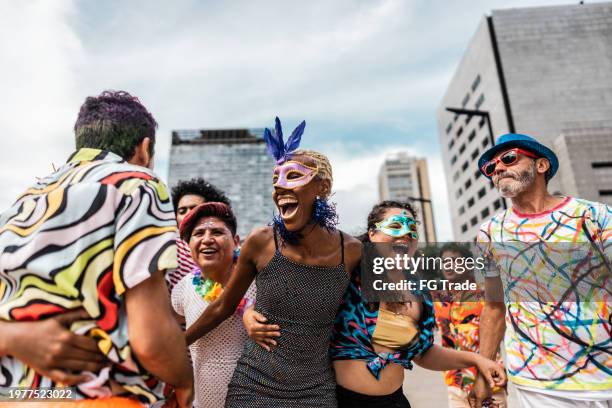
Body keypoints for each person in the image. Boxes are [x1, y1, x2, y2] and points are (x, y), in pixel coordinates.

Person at [0, 90, 193, 407]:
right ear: (144, 149)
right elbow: (150, 340)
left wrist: (13, 337)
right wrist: (185, 381)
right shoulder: (137, 183)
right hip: (98, 398)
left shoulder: (22, 203)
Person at [246, 200, 506, 408]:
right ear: (372, 233)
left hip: (395, 400)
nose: (405, 234)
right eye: (395, 227)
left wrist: (475, 360)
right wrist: (249, 313)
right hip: (340, 400)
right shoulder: (347, 273)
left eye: (412, 229)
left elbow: (424, 353)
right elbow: (290, 297)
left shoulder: (417, 289)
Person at [184, 117, 362, 407]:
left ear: (323, 187)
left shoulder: (352, 251)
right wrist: (178, 345)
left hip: (316, 390)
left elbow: (371, 310)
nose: (279, 187)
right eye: (275, 180)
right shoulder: (262, 242)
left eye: (292, 176)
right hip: (253, 385)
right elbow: (221, 306)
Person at [470, 133, 611, 408]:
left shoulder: (595, 216)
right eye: (491, 167)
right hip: (538, 383)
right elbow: (494, 306)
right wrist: (483, 373)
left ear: (542, 166)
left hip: (605, 373)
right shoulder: (489, 233)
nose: (498, 168)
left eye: (509, 158)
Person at [171, 202, 255, 407]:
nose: (207, 239)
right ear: (188, 244)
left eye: (217, 232)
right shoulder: (182, 290)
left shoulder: (257, 281)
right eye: (198, 233)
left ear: (236, 241)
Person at [433, 243, 507, 408]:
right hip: (455, 384)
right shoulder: (437, 299)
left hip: (489, 383)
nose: (448, 266)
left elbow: (500, 328)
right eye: (444, 262)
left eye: (454, 261)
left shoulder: (485, 297)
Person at [167, 178, 231, 291]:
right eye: (182, 211)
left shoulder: (226, 247)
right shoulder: (169, 245)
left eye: (194, 208)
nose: (188, 214)